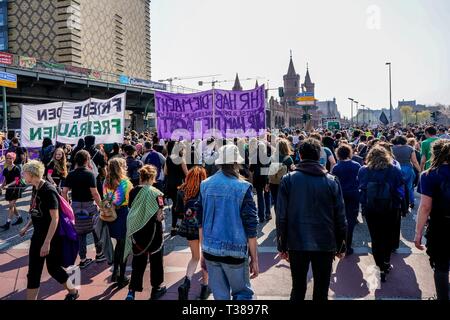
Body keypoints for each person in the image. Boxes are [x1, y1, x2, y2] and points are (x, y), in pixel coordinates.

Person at [277, 138, 347, 301]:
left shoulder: (288, 179)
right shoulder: (331, 181)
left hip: (297, 241)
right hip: (325, 241)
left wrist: (282, 244)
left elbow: (281, 216)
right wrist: (342, 244)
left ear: (300, 156)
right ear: (319, 156)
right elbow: (340, 217)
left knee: (298, 288)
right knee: (321, 289)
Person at [197, 144, 259, 300]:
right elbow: (251, 228)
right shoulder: (243, 187)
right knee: (243, 294)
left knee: (220, 296)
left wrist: (203, 251)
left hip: (211, 249)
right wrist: (254, 259)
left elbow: (200, 222)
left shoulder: (205, 185)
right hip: (235, 251)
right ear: (236, 163)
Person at [18, 160, 79, 300]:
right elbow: (35, 211)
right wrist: (26, 227)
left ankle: (73, 292)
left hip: (51, 238)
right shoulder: (35, 187)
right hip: (38, 236)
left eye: (24, 173)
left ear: (32, 174)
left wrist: (47, 243)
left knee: (53, 269)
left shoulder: (48, 191)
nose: (23, 175)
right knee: (34, 271)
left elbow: (55, 219)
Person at [358, 145, 404, 282]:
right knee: (388, 235)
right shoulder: (394, 169)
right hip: (390, 208)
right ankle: (386, 261)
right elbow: (399, 188)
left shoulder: (364, 170)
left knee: (376, 238)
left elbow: (361, 188)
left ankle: (379, 266)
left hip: (371, 209)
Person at [124, 165, 167, 301]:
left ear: (141, 177)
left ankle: (132, 291)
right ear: (153, 177)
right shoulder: (157, 193)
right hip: (153, 232)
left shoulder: (133, 191)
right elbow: (159, 216)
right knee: (156, 260)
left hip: (137, 230)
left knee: (138, 260)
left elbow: (132, 208)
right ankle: (156, 289)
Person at [415, 139, 450, 300]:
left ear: (434, 154)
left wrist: (418, 233)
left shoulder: (429, 175)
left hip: (441, 224)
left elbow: (425, 207)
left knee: (441, 266)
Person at [63, 150, 105, 269]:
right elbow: (95, 193)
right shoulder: (89, 174)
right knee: (96, 230)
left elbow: (64, 191)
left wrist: (67, 204)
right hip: (89, 205)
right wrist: (101, 206)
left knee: (80, 233)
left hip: (76, 206)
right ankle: (99, 254)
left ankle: (83, 259)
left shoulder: (71, 174)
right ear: (87, 160)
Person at [175, 166, 211, 300]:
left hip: (189, 228)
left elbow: (178, 211)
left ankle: (186, 283)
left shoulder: (182, 190)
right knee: (205, 257)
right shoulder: (206, 189)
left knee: (195, 257)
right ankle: (204, 288)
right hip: (204, 227)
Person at [103, 158, 133, 288]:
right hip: (122, 214)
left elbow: (107, 199)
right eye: (124, 165)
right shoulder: (124, 182)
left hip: (110, 215)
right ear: (120, 167)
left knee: (118, 246)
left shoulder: (106, 181)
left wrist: (110, 205)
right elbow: (122, 200)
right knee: (123, 246)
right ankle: (121, 277)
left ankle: (115, 272)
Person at [331, 143, 361, 255]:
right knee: (351, 220)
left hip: (340, 194)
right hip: (353, 194)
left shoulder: (336, 167)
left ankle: (339, 244)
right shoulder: (357, 165)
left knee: (339, 219)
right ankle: (348, 246)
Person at [164, 141, 188, 237]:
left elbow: (165, 172)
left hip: (170, 184)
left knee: (175, 204)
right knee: (182, 204)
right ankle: (183, 225)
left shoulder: (168, 158)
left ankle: (173, 227)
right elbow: (186, 173)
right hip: (180, 184)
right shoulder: (181, 159)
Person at [392, 136, 421, 209]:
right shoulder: (410, 148)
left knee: (396, 186)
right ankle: (411, 202)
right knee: (409, 186)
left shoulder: (391, 148)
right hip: (407, 168)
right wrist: (420, 170)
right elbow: (414, 161)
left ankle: (399, 202)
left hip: (396, 169)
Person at [269, 138, 294, 214]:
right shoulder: (288, 159)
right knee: (286, 201)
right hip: (284, 182)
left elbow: (268, 171)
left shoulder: (272, 157)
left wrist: (267, 182)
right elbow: (292, 171)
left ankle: (278, 219)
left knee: (276, 201)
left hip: (273, 182)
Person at [249, 141, 272, 223]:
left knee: (260, 197)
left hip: (258, 178)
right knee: (267, 196)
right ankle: (268, 214)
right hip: (266, 178)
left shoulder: (254, 157)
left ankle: (261, 216)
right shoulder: (268, 156)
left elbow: (251, 169)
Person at [1, 153, 23, 230]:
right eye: (7, 158)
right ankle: (19, 218)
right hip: (9, 189)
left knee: (11, 206)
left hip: (16, 189)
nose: (8, 160)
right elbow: (5, 179)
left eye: (10, 158)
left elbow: (17, 181)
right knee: (12, 205)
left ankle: (8, 223)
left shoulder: (16, 168)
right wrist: (2, 186)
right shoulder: (5, 169)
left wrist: (8, 185)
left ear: (13, 159)